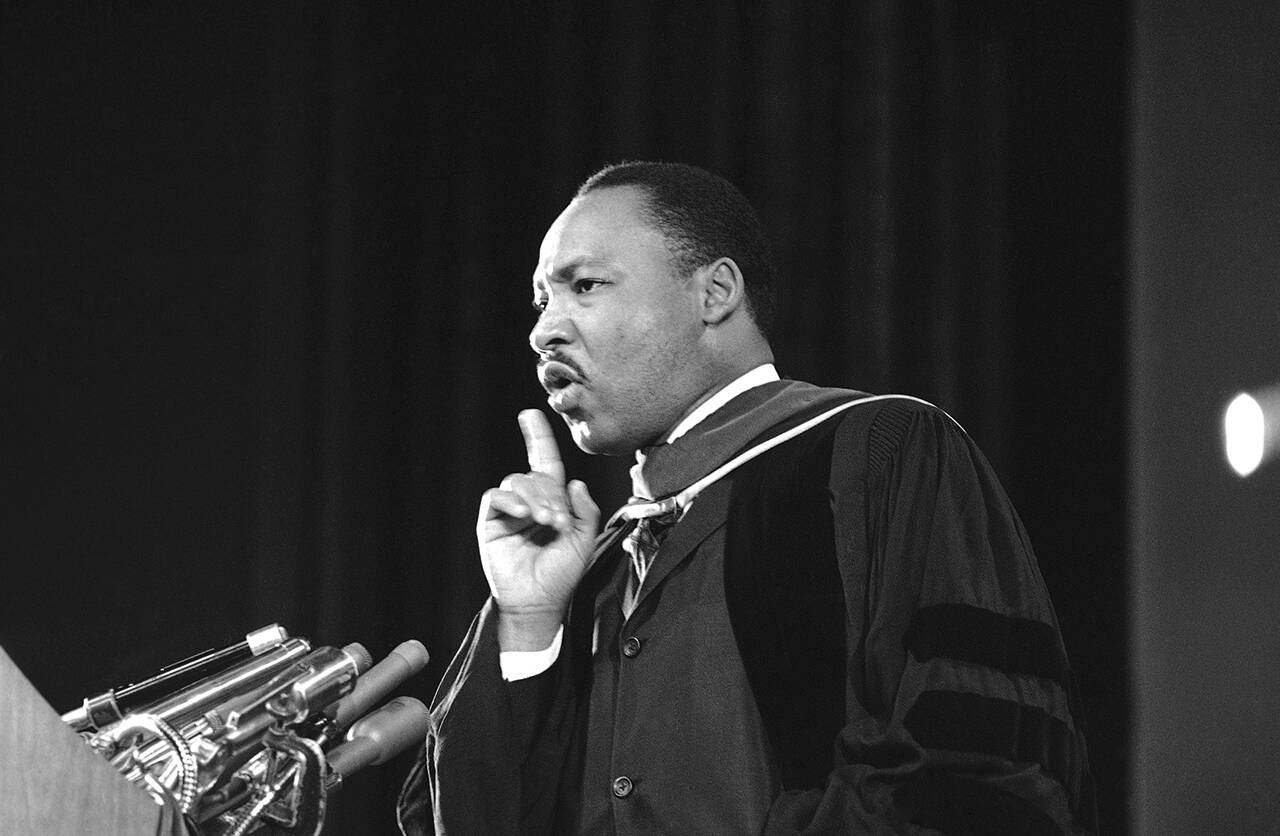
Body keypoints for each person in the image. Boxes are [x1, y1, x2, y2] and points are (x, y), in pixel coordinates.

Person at [397, 161, 1095, 834]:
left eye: (584, 286)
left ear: (715, 293)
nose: (543, 329)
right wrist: (528, 624)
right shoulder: (596, 562)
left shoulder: (877, 453)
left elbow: (974, 770)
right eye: (542, 300)